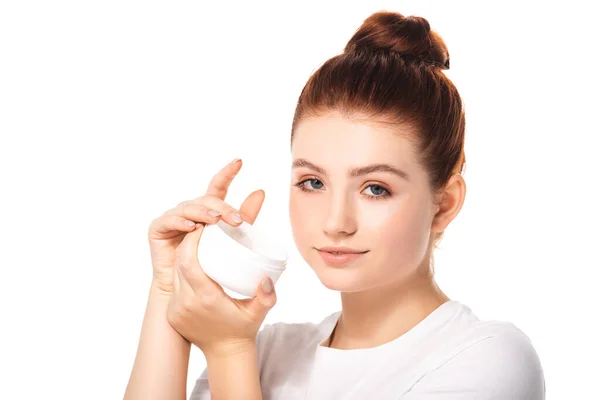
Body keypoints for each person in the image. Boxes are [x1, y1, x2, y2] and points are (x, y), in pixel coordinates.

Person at [124, 10, 545, 400]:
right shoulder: (271, 350)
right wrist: (168, 287)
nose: (335, 222)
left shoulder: (488, 357)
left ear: (445, 205)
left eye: (375, 188)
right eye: (313, 182)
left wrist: (230, 351)